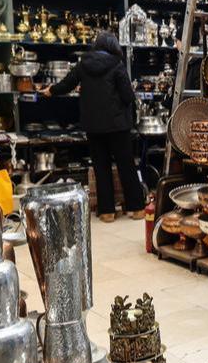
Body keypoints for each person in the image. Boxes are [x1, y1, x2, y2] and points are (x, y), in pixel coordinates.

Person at [41, 31, 147, 222]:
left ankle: (107, 212)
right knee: (126, 166)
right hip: (118, 125)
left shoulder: (83, 64)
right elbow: (127, 96)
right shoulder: (117, 64)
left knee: (101, 167)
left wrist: (51, 90)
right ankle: (137, 208)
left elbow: (66, 84)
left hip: (94, 125)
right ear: (113, 46)